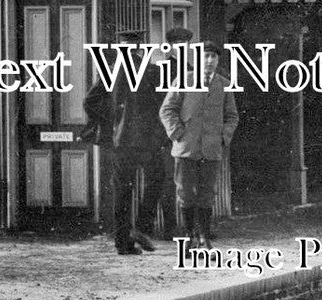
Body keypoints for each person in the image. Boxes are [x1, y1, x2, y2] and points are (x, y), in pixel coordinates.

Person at [84, 27, 166, 255]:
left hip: (121, 142)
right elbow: (163, 103)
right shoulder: (151, 70)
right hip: (148, 140)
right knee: (156, 179)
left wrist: (114, 119)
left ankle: (123, 243)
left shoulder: (110, 70)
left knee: (122, 191)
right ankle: (141, 227)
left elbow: (90, 102)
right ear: (140, 47)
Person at [159, 41, 238, 249]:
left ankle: (204, 236)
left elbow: (232, 116)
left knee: (206, 193)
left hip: (211, 149)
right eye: (206, 56)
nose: (209, 61)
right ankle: (188, 236)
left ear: (218, 60)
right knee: (185, 192)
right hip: (186, 148)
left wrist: (222, 137)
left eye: (213, 56)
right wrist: (178, 133)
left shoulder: (224, 84)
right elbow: (167, 109)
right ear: (198, 59)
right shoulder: (184, 80)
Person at [155, 26, 194, 240]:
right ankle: (170, 227)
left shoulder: (191, 70)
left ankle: (189, 228)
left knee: (188, 182)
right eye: (177, 45)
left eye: (185, 45)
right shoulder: (162, 71)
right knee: (169, 181)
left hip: (188, 137)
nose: (182, 48)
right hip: (167, 136)